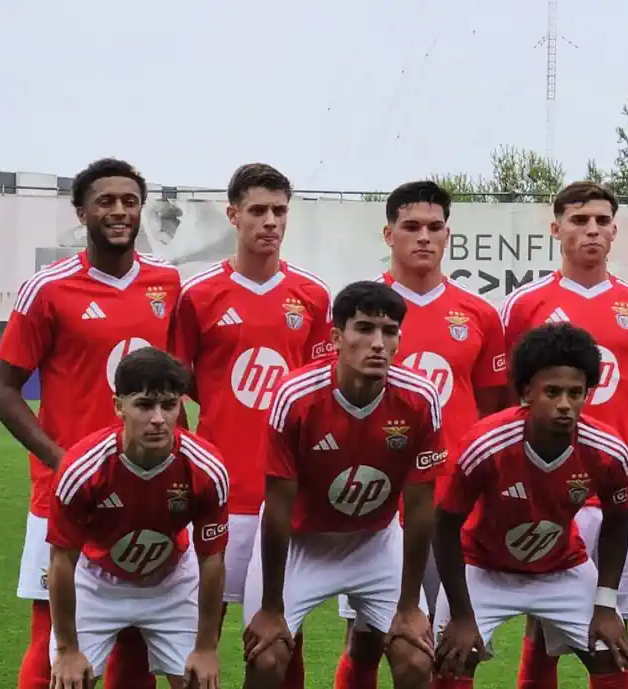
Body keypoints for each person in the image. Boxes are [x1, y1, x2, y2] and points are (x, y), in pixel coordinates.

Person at [0, 157, 181, 689]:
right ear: (82, 212)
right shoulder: (48, 289)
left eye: (130, 201)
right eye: (106, 201)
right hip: (65, 490)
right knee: (52, 629)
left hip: (147, 485)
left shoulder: (168, 283)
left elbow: (177, 387)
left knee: (137, 633)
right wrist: (63, 461)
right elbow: (4, 391)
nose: (120, 212)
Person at [335, 180, 508, 689]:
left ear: (448, 235)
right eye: (411, 227)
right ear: (388, 233)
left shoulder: (478, 314)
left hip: (454, 504)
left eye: (435, 227)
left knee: (456, 646)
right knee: (367, 638)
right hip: (379, 505)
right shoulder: (364, 313)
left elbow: (492, 411)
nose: (423, 237)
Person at [170, 163, 333, 689]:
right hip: (217, 489)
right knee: (202, 633)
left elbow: (317, 394)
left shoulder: (311, 296)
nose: (270, 222)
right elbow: (179, 388)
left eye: (279, 211)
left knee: (283, 637)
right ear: (233, 215)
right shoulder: (198, 296)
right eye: (258, 211)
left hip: (284, 491)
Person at [499, 181, 628, 689]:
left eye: (600, 220)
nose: (590, 229)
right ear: (556, 228)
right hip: (549, 496)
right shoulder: (524, 305)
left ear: (615, 230)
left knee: (614, 636)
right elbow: (512, 400)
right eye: (577, 220)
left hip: (621, 496)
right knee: (542, 628)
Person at [241, 280, 442, 689]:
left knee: (416, 660)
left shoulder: (421, 398)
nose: (377, 343)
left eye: (389, 332)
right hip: (302, 543)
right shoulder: (296, 396)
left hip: (375, 542)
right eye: (364, 329)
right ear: (335, 338)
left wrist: (408, 606)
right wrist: (270, 607)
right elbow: (278, 507)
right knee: (267, 658)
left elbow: (420, 506)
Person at [432, 322, 628, 689]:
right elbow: (445, 524)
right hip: (484, 569)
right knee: (451, 660)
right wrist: (462, 614)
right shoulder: (486, 445)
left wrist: (606, 605)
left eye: (576, 393)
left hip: (562, 568)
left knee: (614, 659)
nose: (564, 405)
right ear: (527, 391)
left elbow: (619, 521)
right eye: (552, 392)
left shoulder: (607, 451)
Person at [45, 348, 228, 689]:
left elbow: (212, 560)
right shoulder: (82, 469)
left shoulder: (206, 468)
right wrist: (67, 649)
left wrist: (206, 647)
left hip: (171, 582)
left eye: (169, 405)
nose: (158, 418)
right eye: (144, 405)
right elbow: (60, 561)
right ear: (119, 406)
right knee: (68, 682)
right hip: (97, 583)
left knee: (199, 682)